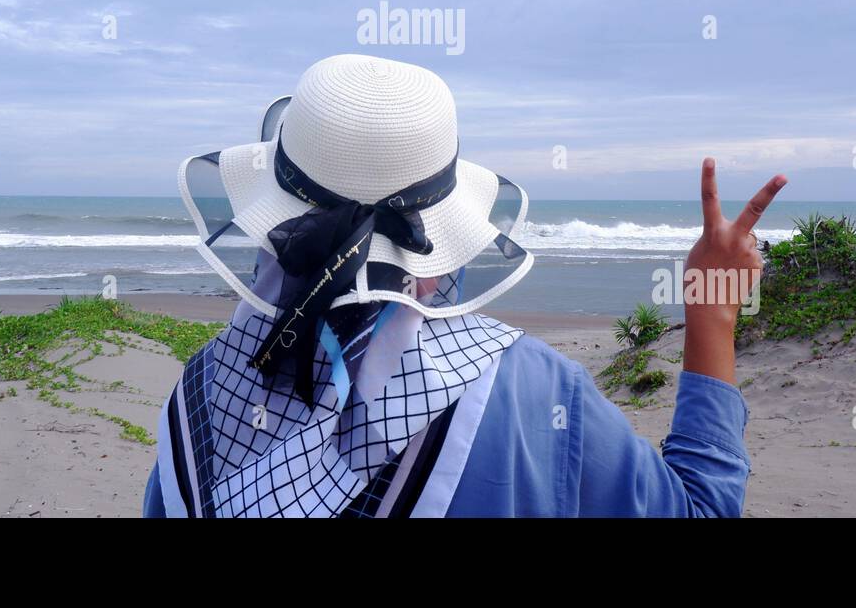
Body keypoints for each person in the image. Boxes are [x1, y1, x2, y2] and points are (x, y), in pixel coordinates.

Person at [144, 54, 786, 517]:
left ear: (271, 226)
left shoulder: (205, 393)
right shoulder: (534, 391)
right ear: (440, 242)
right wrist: (712, 313)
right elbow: (701, 508)